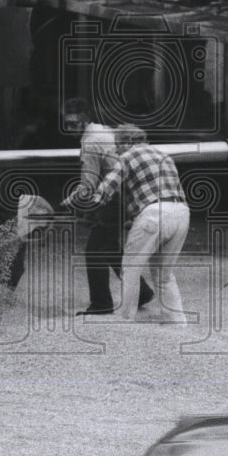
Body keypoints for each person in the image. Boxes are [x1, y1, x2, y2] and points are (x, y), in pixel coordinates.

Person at [59, 99, 154, 316]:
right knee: (109, 249)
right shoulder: (104, 131)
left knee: (94, 252)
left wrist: (65, 204)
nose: (70, 128)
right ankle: (142, 292)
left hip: (116, 197)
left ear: (85, 121)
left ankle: (101, 303)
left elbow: (88, 184)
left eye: (73, 123)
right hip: (129, 194)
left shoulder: (91, 142)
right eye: (67, 123)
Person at [91, 125, 190, 323]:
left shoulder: (128, 156)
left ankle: (125, 318)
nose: (116, 150)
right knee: (164, 274)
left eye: (117, 145)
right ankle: (176, 321)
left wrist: (84, 202)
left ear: (127, 142)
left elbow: (106, 189)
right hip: (182, 213)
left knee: (130, 268)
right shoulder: (164, 155)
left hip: (154, 213)